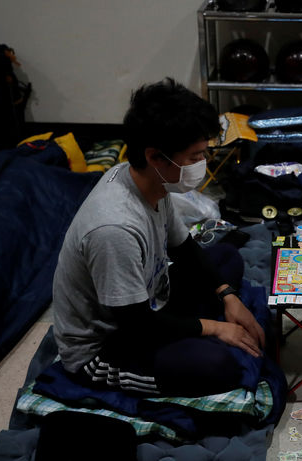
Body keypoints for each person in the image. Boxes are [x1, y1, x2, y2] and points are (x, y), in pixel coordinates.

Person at [52, 77, 265, 398]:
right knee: (218, 366)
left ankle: (199, 326)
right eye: (194, 156)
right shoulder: (114, 228)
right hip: (109, 342)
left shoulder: (152, 183)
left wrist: (228, 296)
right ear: (155, 157)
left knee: (225, 260)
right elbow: (136, 324)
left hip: (150, 299)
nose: (202, 164)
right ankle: (195, 340)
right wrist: (218, 327)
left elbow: (184, 248)